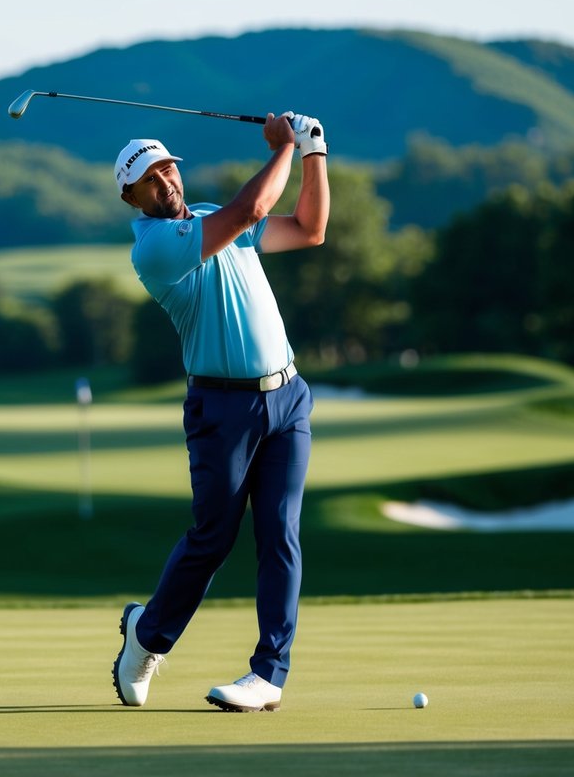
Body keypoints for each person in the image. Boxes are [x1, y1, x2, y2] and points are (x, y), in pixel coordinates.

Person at [111, 111, 329, 712]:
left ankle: (268, 676)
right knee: (212, 538)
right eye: (150, 180)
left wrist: (314, 154)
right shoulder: (155, 247)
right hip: (221, 408)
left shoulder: (210, 218)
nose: (166, 184)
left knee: (280, 535)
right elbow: (253, 211)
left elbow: (310, 229)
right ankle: (147, 636)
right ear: (131, 196)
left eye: (168, 170)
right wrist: (283, 146)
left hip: (288, 398)